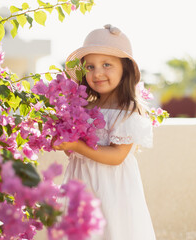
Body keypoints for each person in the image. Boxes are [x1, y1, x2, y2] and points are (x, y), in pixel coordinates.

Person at [53, 24, 156, 240]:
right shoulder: (83, 108)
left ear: (124, 69)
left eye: (106, 64)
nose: (97, 73)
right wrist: (65, 143)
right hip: (82, 184)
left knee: (111, 232)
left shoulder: (127, 110)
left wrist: (76, 145)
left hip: (113, 191)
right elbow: (75, 153)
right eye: (90, 67)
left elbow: (117, 156)